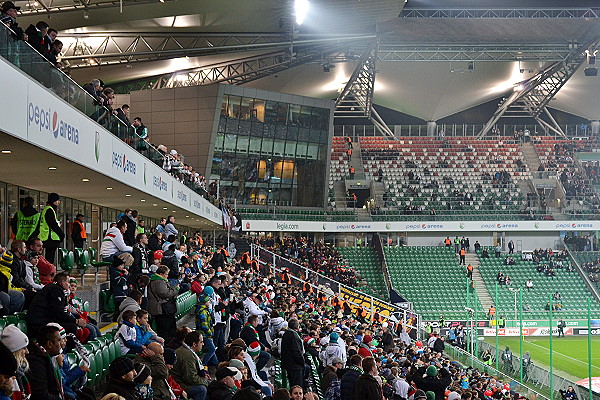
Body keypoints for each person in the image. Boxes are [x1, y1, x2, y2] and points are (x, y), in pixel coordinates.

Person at [25, 272, 87, 337]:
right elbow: (58, 313)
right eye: (68, 282)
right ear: (62, 282)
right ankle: (67, 346)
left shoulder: (54, 288)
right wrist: (76, 321)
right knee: (73, 327)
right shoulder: (55, 290)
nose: (69, 285)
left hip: (46, 321)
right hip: (39, 324)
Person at [26, 325, 64, 400]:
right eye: (59, 340)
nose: (61, 343)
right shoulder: (36, 363)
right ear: (50, 344)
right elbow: (41, 395)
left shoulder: (46, 357)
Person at [171, 331, 208, 400]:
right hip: (179, 384)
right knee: (201, 389)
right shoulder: (187, 355)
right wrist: (204, 381)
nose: (203, 344)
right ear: (194, 344)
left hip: (181, 381)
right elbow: (190, 378)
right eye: (201, 342)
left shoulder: (186, 351)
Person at [148, 266, 179, 339]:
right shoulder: (158, 282)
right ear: (161, 274)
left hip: (162, 309)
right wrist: (176, 289)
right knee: (165, 329)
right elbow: (165, 293)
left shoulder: (158, 281)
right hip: (161, 309)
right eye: (166, 274)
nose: (167, 276)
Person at [34, 193, 64, 265]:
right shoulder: (49, 210)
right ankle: (48, 272)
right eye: (57, 200)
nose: (58, 202)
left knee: (48, 257)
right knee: (49, 258)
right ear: (53, 201)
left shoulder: (46, 209)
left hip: (46, 237)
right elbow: (53, 224)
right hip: (50, 238)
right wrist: (61, 234)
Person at [280, 318, 305, 388]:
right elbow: (296, 352)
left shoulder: (287, 333)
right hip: (294, 366)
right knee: (297, 387)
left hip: (290, 364)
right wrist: (302, 362)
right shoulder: (293, 336)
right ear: (297, 327)